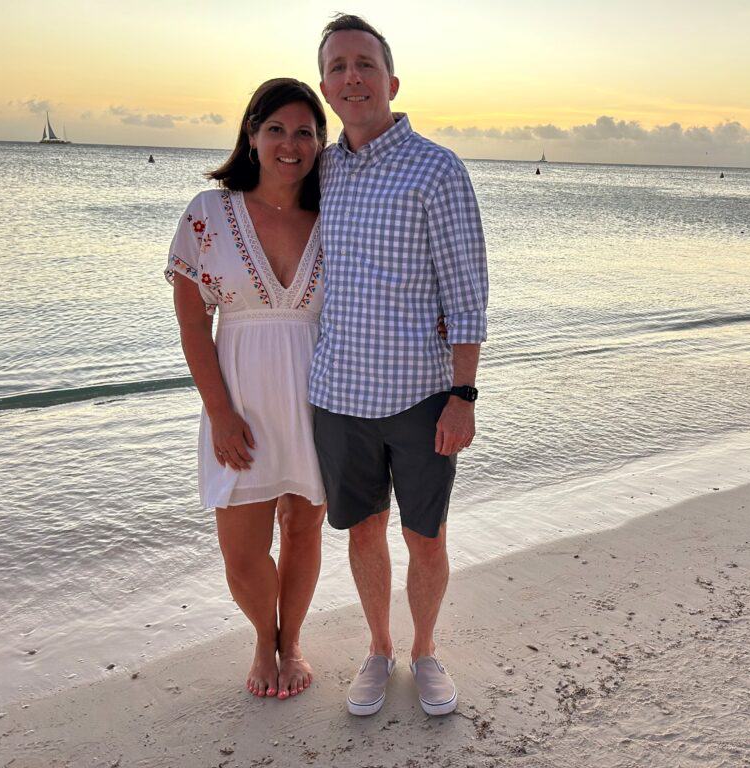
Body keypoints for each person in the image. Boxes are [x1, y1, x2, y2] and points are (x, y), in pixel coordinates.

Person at [311, 14, 488, 717]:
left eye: (363, 63)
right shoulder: (320, 169)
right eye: (337, 66)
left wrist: (463, 394)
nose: (351, 76)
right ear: (325, 85)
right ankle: (380, 649)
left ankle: (425, 651)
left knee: (426, 535)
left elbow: (467, 292)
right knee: (362, 530)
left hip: (420, 394)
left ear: (390, 80)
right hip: (338, 393)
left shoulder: (436, 168)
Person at [166, 78, 328, 701]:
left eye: (306, 132)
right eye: (277, 130)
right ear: (252, 136)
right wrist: (219, 412)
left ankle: (292, 643)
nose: (291, 144)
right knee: (241, 552)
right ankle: (265, 634)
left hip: (317, 404)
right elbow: (190, 320)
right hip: (238, 408)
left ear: (320, 144)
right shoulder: (208, 213)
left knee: (304, 531)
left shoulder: (331, 215)